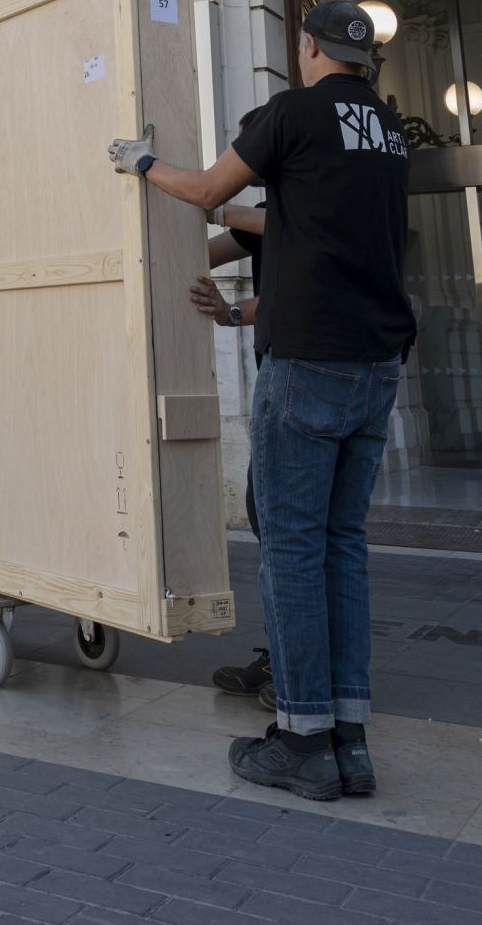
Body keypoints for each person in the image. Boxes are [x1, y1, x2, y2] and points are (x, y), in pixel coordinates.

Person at [109, 1, 413, 803]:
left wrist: (142, 163)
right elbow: (314, 238)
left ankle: (302, 740)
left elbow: (210, 188)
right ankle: (348, 740)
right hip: (377, 362)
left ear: (309, 48)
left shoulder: (294, 113)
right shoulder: (389, 130)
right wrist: (241, 306)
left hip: (310, 363)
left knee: (292, 548)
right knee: (340, 545)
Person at [192, 188, 275, 710]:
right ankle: (296, 661)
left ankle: (300, 672)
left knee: (285, 530)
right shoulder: (265, 215)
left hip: (301, 374)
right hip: (296, 372)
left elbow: (306, 284)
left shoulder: (297, 209)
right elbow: (198, 254)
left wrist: (233, 314)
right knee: (279, 524)